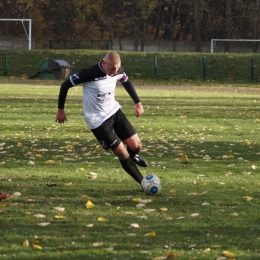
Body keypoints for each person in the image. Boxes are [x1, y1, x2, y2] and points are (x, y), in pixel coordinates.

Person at [55, 51, 148, 189]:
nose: (115, 71)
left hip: (114, 111)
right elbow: (65, 85)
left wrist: (138, 103)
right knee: (122, 152)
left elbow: (126, 81)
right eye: (112, 69)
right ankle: (144, 183)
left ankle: (132, 155)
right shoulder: (89, 73)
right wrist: (60, 110)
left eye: (117, 68)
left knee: (137, 146)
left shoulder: (116, 69)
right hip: (98, 120)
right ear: (104, 63)